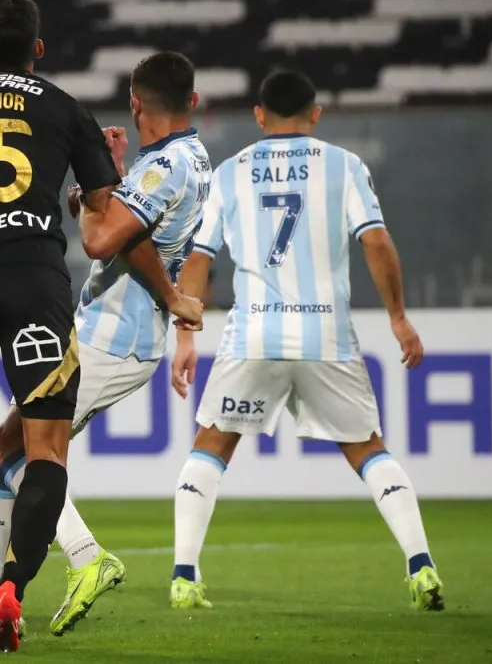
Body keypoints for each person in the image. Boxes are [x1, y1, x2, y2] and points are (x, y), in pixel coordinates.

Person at [0, 0, 203, 652]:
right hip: (39, 291)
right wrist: (99, 185)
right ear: (39, 49)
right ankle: (11, 593)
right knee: (45, 451)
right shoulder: (66, 109)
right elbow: (106, 223)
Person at [0, 50, 212, 647]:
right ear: (192, 101)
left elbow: (101, 241)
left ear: (135, 101)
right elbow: (133, 230)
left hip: (114, 340)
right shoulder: (192, 160)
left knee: (11, 452)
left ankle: (87, 557)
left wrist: (96, 196)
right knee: (6, 459)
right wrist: (107, 184)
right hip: (114, 335)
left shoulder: (163, 168)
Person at [169, 69, 444, 611]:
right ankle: (421, 567)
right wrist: (398, 317)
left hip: (254, 337)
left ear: (258, 115)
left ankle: (183, 576)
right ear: (315, 114)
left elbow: (198, 260)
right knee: (368, 449)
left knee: (211, 445)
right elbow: (377, 242)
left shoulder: (230, 174)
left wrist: (185, 336)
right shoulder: (344, 166)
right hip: (325, 337)